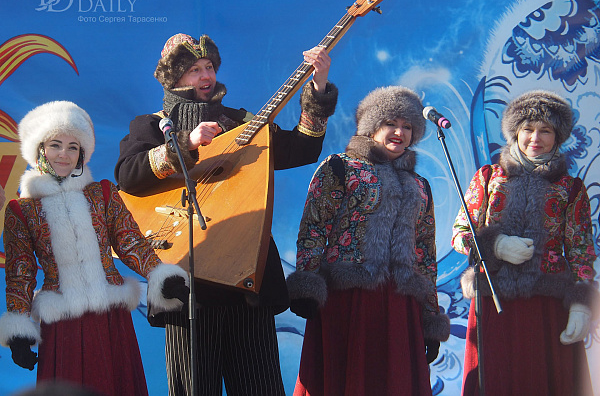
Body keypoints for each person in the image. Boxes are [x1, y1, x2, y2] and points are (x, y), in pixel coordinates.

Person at [114, 33, 338, 396]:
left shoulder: (241, 121)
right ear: (173, 78)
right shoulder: (153, 125)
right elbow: (127, 176)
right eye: (194, 70)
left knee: (260, 387)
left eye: (209, 67)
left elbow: (302, 149)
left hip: (246, 275)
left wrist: (319, 86)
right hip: (188, 281)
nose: (206, 76)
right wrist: (185, 142)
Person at [0, 100, 189, 396]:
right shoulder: (21, 211)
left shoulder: (102, 193)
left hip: (111, 317)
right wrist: (19, 331)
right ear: (40, 149)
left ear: (82, 153)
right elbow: (20, 274)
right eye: (55, 145)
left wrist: (161, 276)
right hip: (62, 324)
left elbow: (130, 242)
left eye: (73, 147)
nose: (64, 154)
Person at [286, 86, 451, 396]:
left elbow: (425, 255)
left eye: (407, 126)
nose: (399, 132)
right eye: (391, 123)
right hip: (347, 300)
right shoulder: (339, 167)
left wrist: (429, 316)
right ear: (372, 126)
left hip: (400, 306)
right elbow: (314, 228)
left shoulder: (420, 185)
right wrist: (307, 284)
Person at [452, 90, 598, 395]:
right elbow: (461, 234)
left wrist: (582, 305)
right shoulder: (489, 177)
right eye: (528, 129)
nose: (535, 138)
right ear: (515, 133)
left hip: (547, 305)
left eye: (545, 130)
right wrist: (496, 246)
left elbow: (581, 252)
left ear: (558, 137)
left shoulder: (570, 188)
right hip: (493, 298)